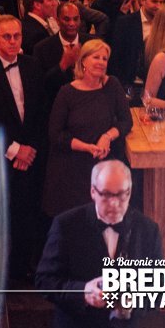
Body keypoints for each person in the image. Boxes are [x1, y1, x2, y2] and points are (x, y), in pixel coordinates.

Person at [35, 160, 164, 328]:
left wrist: (133, 301)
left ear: (130, 191)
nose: (114, 203)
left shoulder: (147, 229)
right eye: (106, 195)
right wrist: (83, 292)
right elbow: (45, 281)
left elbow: (158, 288)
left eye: (121, 195)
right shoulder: (66, 225)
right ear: (93, 192)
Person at [0, 15, 50, 281]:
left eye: (17, 36)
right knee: (2, 217)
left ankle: (22, 270)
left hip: (32, 156)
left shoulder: (33, 65)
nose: (13, 41)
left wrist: (31, 149)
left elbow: (41, 112)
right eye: (7, 36)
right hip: (1, 159)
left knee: (29, 214)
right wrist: (16, 150)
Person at [42, 40, 132, 217]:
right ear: (83, 60)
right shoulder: (66, 92)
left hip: (102, 167)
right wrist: (86, 147)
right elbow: (55, 134)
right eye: (96, 57)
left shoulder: (112, 85)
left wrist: (107, 137)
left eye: (104, 59)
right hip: (71, 169)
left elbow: (126, 121)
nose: (101, 62)